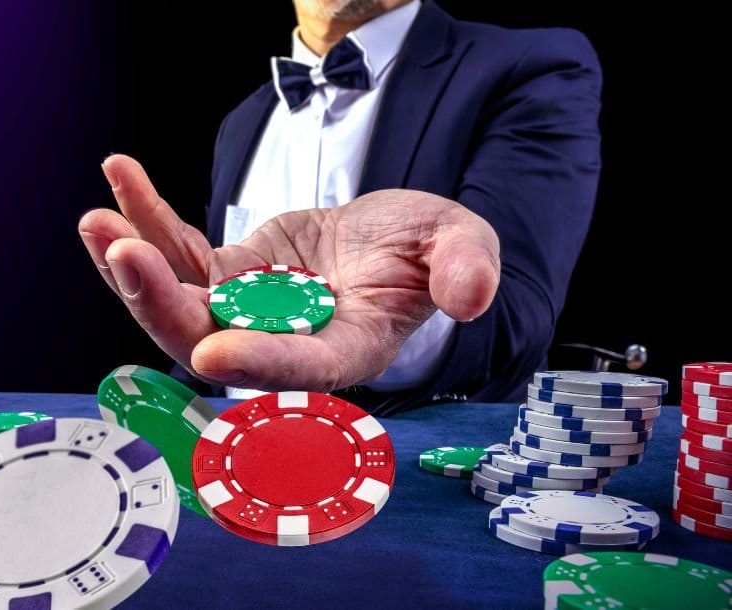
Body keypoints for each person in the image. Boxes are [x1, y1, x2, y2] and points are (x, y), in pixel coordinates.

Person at [79, 0, 601, 415]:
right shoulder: (243, 120)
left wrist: (392, 319)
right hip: (235, 476)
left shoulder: (532, 66)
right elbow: (215, 306)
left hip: (420, 488)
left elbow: (515, 320)